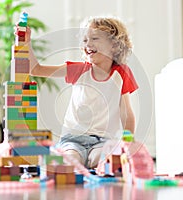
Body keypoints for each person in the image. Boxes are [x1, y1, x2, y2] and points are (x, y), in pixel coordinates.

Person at [26, 16, 138, 169]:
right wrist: (26, 42)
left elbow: (126, 113)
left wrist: (128, 142)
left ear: (114, 45)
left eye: (95, 38)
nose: (88, 44)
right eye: (85, 40)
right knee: (71, 160)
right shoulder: (79, 70)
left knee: (103, 161)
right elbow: (36, 70)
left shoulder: (121, 73)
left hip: (103, 141)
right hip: (73, 139)